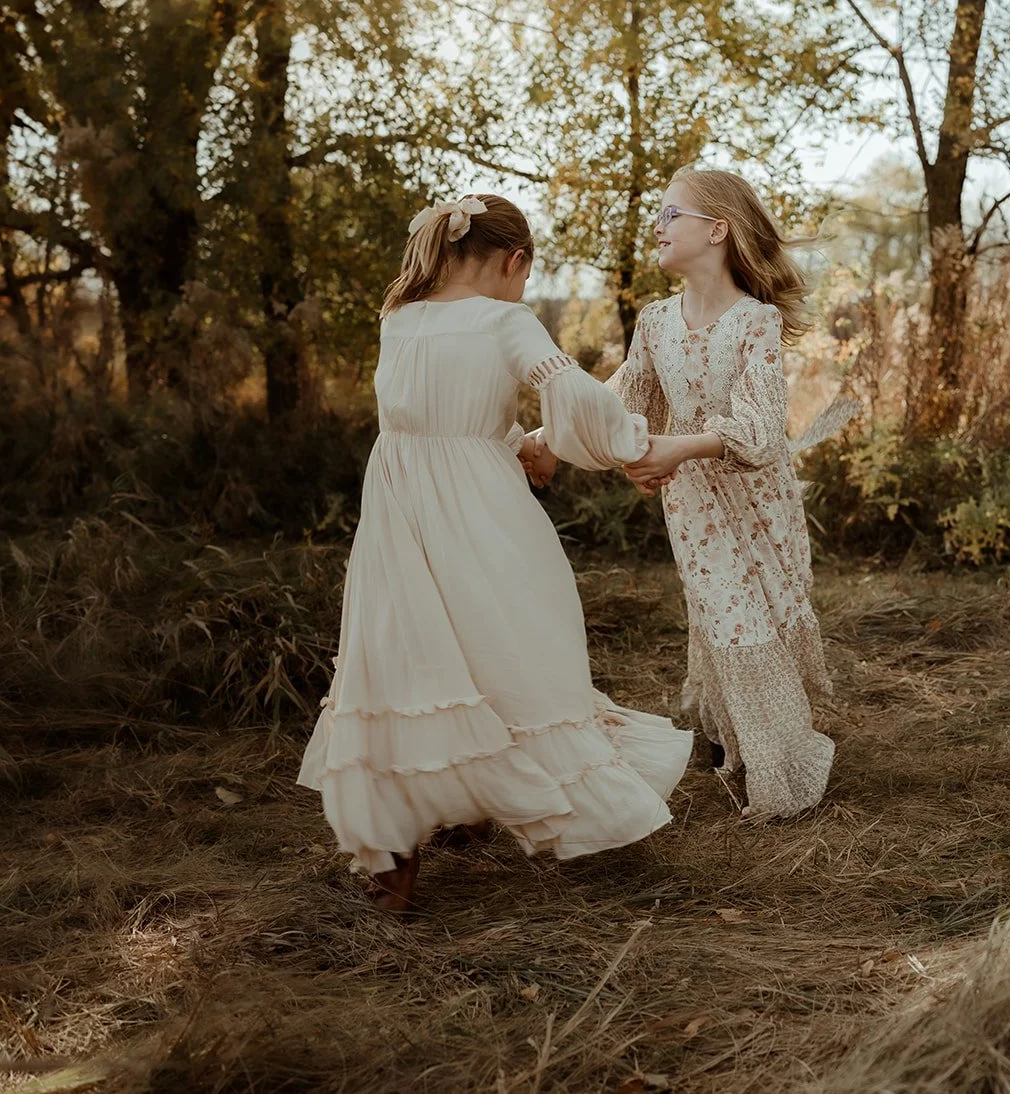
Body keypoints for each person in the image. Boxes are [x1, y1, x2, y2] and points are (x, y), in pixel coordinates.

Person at [298, 194, 692, 913]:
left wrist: (519, 444)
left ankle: (403, 844)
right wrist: (627, 447)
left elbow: (432, 415)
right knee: (513, 646)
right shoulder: (506, 319)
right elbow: (569, 394)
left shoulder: (400, 318)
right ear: (516, 262)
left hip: (397, 510)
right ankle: (488, 798)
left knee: (411, 659)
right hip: (482, 510)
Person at [534, 168, 834, 818]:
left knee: (755, 617)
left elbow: (761, 428)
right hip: (693, 505)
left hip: (756, 497)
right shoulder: (656, 321)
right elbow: (622, 398)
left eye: (671, 214)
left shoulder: (755, 321)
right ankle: (759, 761)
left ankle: (781, 758)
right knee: (725, 617)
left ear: (717, 230)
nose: (658, 225)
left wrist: (680, 445)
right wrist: (546, 435)